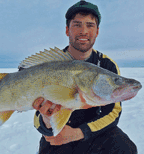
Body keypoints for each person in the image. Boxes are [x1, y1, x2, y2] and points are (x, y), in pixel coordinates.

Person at [19, 1, 137, 153]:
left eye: (90, 25)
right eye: (77, 24)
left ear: (97, 31)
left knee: (125, 148)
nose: (84, 31)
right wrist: (48, 123)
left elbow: (113, 112)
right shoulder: (50, 65)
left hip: (94, 135)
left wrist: (79, 133)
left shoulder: (107, 65)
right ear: (67, 30)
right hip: (59, 135)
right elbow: (37, 116)